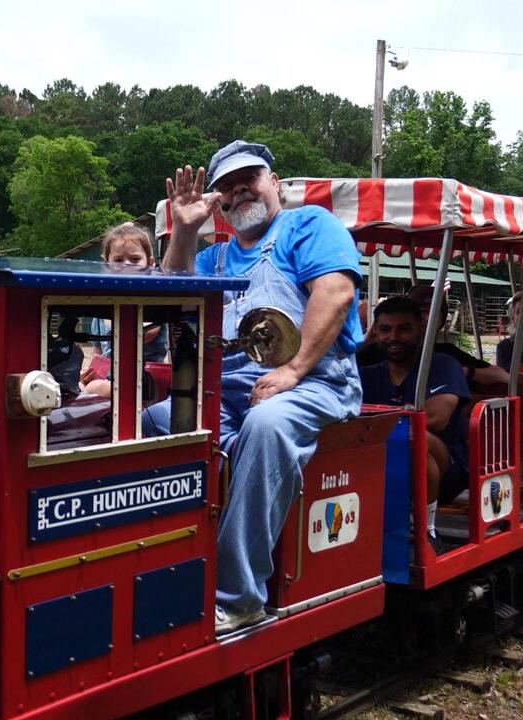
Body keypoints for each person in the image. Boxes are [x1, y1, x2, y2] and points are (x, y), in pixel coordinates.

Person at [146, 141, 363, 634]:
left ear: (275, 183)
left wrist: (294, 369)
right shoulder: (214, 256)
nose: (238, 188)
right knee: (156, 422)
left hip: (316, 379)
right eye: (226, 184)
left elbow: (336, 292)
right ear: (218, 202)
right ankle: (168, 562)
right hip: (229, 389)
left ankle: (239, 597)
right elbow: (170, 301)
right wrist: (182, 231)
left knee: (268, 426)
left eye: (250, 177)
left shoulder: (309, 225)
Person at [359, 296, 471, 551]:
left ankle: (426, 528)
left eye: (404, 329)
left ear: (420, 330)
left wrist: (374, 424)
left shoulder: (442, 365)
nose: (393, 337)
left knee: (414, 434)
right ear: (375, 332)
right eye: (385, 329)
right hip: (384, 460)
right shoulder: (370, 373)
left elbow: (436, 418)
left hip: (445, 470)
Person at [83, 224, 169, 397]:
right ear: (106, 264)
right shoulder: (100, 310)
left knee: (92, 390)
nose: (127, 265)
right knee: (76, 384)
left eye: (135, 259)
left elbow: (144, 333)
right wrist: (90, 373)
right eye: (118, 260)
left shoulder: (154, 302)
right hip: (110, 378)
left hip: (145, 377)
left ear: (150, 263)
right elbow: (98, 353)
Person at [404, 285, 508, 389]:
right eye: (421, 312)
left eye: (433, 313)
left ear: (441, 320)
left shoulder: (448, 353)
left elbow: (503, 376)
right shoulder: (395, 351)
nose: (427, 318)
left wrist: (466, 372)